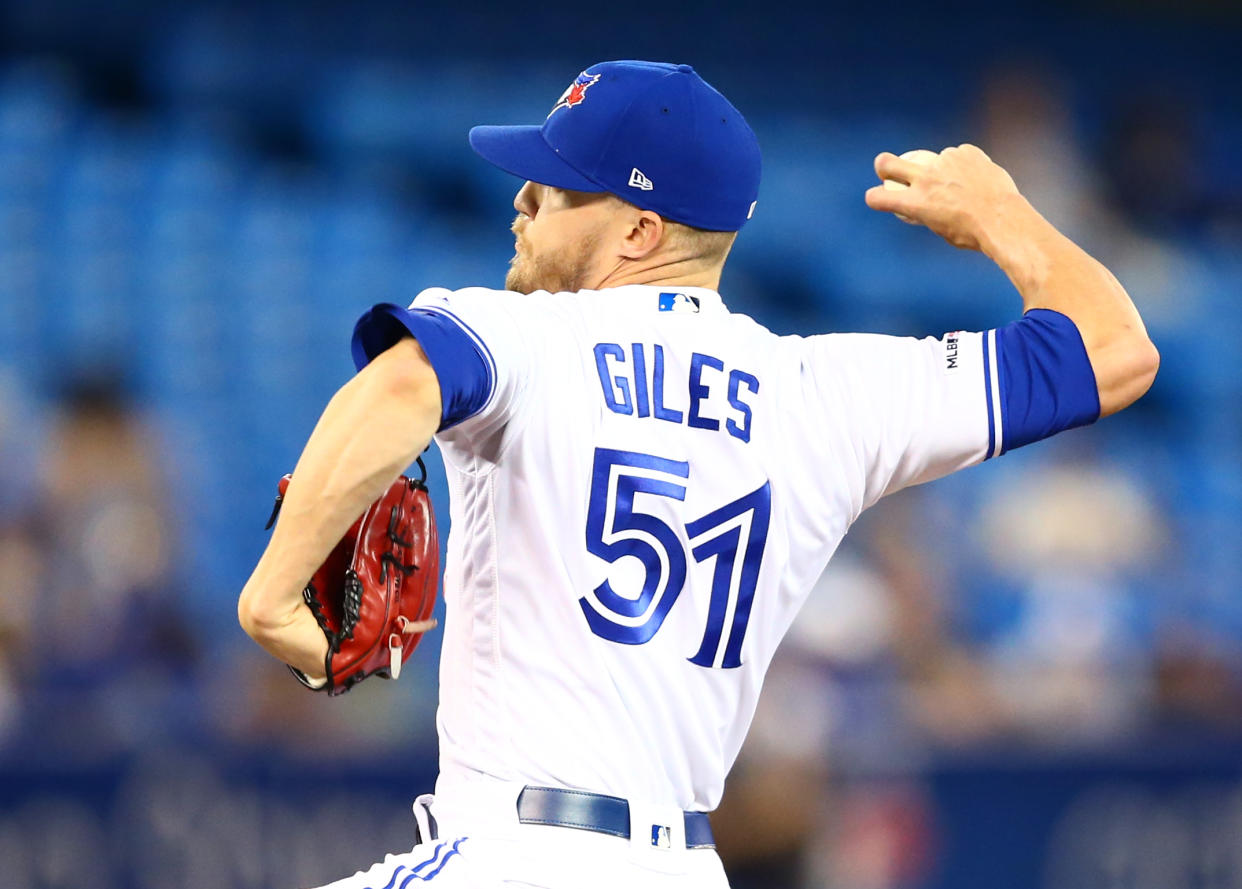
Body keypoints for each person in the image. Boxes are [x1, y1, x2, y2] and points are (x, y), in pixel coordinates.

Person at [237, 60, 1158, 888]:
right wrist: (1003, 214)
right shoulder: (826, 392)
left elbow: (404, 378)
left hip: (518, 852)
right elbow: (1114, 351)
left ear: (638, 229)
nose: (522, 197)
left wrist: (273, 596)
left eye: (557, 188)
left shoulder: (528, 338)